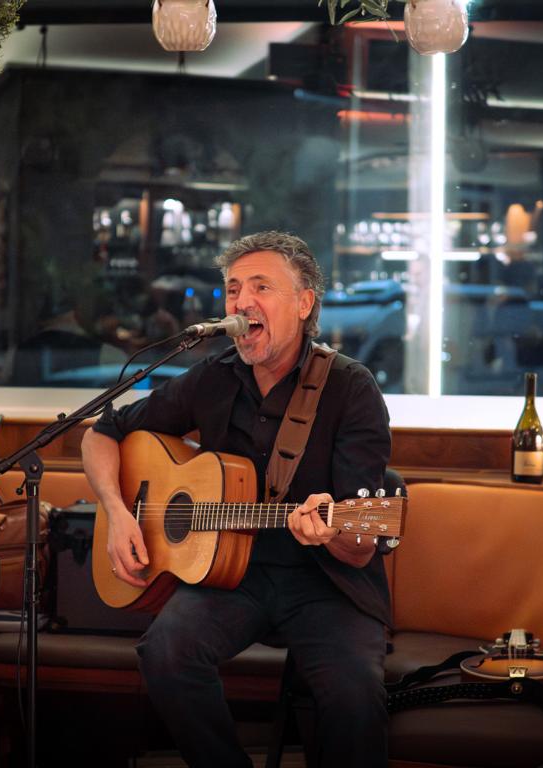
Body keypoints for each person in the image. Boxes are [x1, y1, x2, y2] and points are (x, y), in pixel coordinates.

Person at [82, 231, 393, 768]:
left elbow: (361, 545)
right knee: (164, 653)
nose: (241, 302)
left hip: (326, 583)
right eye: (232, 289)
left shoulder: (351, 388)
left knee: (355, 693)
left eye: (260, 287)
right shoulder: (213, 376)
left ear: (304, 303)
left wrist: (332, 532)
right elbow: (101, 434)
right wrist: (117, 512)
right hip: (232, 578)